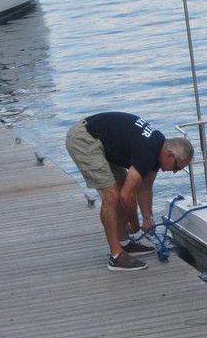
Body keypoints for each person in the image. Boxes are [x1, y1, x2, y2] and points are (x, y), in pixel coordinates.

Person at [66, 112, 194, 272]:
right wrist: (134, 222)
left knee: (121, 188)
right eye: (176, 167)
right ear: (169, 154)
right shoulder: (148, 150)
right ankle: (116, 256)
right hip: (85, 139)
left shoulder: (158, 147)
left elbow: (145, 187)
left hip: (103, 142)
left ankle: (123, 242)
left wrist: (147, 218)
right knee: (112, 196)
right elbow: (127, 195)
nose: (174, 172)